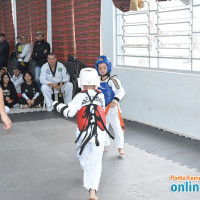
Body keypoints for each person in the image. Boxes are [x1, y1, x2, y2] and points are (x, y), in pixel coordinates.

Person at [53, 68, 113, 200]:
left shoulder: (80, 96)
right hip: (100, 134)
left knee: (83, 156)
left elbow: (69, 113)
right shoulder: (101, 95)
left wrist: (57, 104)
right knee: (95, 163)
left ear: (82, 83)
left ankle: (86, 171)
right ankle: (92, 191)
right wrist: (107, 140)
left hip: (84, 134)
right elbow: (102, 115)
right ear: (96, 82)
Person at [95, 55, 126, 155]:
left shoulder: (112, 80)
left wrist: (115, 100)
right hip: (102, 109)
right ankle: (105, 144)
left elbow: (121, 91)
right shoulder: (96, 80)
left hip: (112, 109)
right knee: (103, 128)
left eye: (104, 68)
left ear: (108, 68)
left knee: (117, 128)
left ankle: (120, 147)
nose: (102, 70)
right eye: (100, 68)